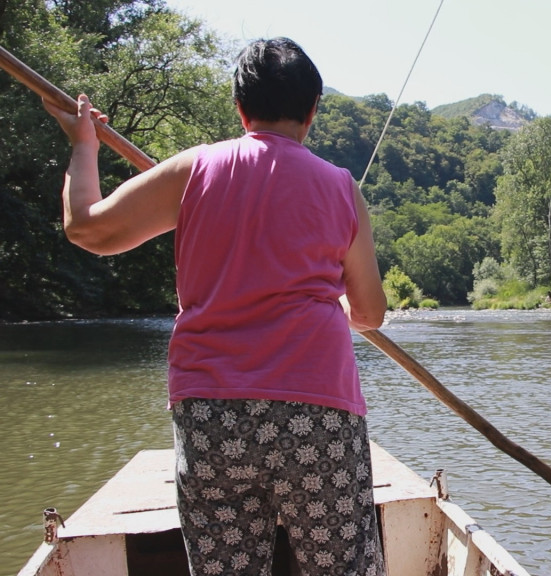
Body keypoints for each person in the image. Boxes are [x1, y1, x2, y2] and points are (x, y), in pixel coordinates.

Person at [44, 37, 388, 575]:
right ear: (314, 109)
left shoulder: (195, 169)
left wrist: (83, 142)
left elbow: (88, 228)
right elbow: (368, 312)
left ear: (239, 107)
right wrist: (332, 307)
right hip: (317, 413)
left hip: (211, 414)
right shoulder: (342, 188)